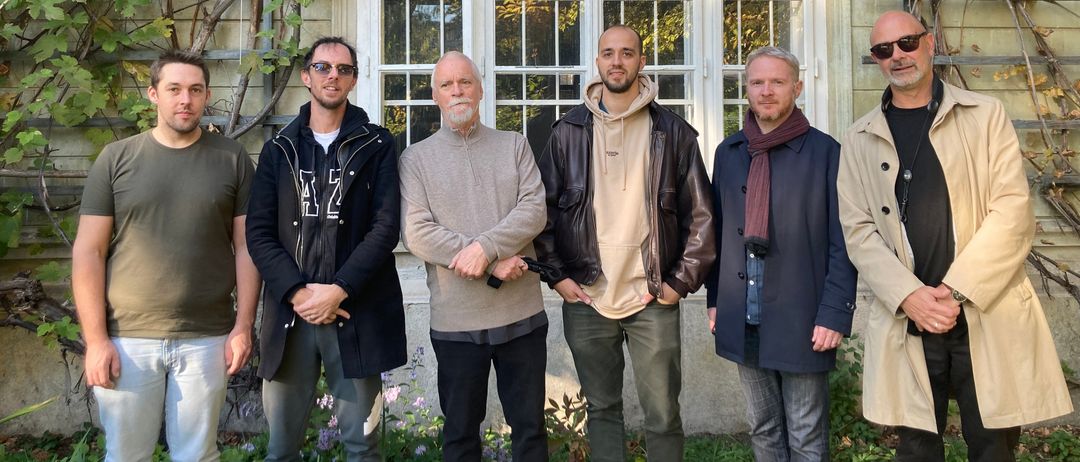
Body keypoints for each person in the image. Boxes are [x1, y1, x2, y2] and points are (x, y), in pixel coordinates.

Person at [837, 11, 1073, 461]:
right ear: (876, 60)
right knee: (917, 448)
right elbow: (858, 229)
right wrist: (911, 297)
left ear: (929, 44)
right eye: (884, 50)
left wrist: (952, 291)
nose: (898, 56)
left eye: (907, 43)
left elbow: (1012, 211)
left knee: (993, 446)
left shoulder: (985, 115)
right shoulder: (858, 138)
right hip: (909, 318)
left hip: (986, 309)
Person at [533, 25, 714, 462]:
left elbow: (703, 219)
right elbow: (542, 215)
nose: (617, 61)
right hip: (587, 297)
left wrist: (678, 284)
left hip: (652, 295)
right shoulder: (567, 132)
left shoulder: (674, 133)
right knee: (602, 409)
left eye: (627, 53)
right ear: (597, 62)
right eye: (608, 53)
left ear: (641, 62)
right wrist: (557, 279)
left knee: (663, 414)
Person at [72, 50, 259, 461]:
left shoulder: (232, 159)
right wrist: (96, 340)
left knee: (197, 455)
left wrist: (243, 326)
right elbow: (89, 251)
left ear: (207, 95)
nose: (185, 100)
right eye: (174, 89)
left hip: (207, 337)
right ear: (153, 94)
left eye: (195, 90)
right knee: (126, 455)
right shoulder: (116, 159)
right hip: (127, 338)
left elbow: (247, 248)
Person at [246, 36, 406, 461]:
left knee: (363, 445)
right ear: (306, 76)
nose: (333, 75)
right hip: (289, 317)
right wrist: (299, 293)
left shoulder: (378, 145)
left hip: (355, 313)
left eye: (344, 69)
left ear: (353, 80)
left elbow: (385, 227)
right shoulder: (278, 150)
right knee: (280, 448)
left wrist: (338, 289)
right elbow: (259, 233)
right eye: (323, 67)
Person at [706, 45, 858, 461]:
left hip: (803, 315)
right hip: (744, 313)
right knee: (763, 427)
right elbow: (718, 232)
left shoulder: (826, 153)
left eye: (777, 81)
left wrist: (834, 313)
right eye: (757, 82)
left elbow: (843, 242)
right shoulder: (730, 153)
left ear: (797, 87)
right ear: (746, 89)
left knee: (807, 433)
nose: (766, 91)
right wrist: (717, 300)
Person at [399, 51, 548, 462]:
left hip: (522, 316)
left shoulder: (514, 146)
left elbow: (534, 210)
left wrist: (485, 248)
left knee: (530, 432)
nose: (457, 91)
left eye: (465, 82)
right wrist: (491, 260)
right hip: (456, 322)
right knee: (461, 436)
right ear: (435, 96)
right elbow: (417, 233)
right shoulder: (415, 159)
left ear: (480, 90)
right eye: (446, 85)